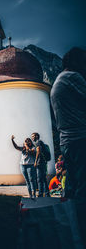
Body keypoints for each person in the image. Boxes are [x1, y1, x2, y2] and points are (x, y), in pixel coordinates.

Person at [50, 47, 86, 201]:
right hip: (80, 138)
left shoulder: (59, 80)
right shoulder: (72, 77)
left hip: (67, 141)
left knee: (73, 185)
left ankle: (71, 221)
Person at [31, 133, 50, 197]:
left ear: (37, 136)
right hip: (43, 162)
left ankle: (40, 194)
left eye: (33, 136)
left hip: (40, 162)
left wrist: (36, 162)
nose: (32, 137)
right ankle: (47, 193)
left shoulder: (37, 142)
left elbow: (38, 151)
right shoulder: (41, 142)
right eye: (32, 136)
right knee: (44, 178)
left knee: (39, 179)